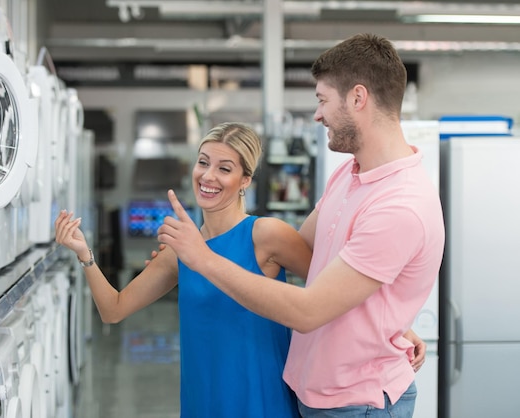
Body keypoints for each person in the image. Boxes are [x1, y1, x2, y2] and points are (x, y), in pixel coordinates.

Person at [158, 33, 445, 418]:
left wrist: (202, 258)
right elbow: (303, 253)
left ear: (358, 98)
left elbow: (308, 310)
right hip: (313, 393)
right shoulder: (350, 173)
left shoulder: (400, 207)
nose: (317, 114)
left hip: (356, 405)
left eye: (323, 99)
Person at [55, 122, 314, 417]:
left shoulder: (267, 235)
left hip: (261, 402)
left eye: (224, 169)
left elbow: (326, 298)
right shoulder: (180, 248)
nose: (208, 175)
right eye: (203, 162)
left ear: (246, 180)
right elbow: (113, 309)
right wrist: (85, 254)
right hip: (202, 401)